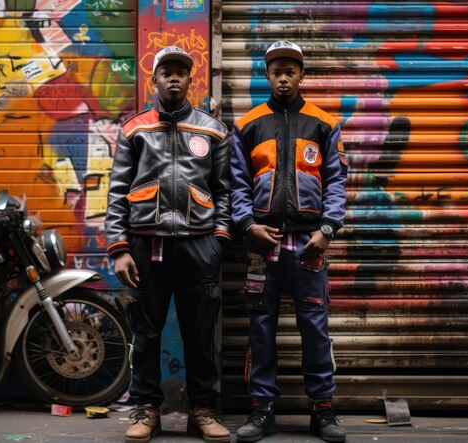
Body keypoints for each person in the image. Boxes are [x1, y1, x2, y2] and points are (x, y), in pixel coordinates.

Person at [105, 46, 232, 443]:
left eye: (181, 71)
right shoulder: (134, 128)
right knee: (146, 333)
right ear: (154, 79)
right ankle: (146, 409)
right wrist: (120, 248)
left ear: (190, 79)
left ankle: (201, 410)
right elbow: (117, 191)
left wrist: (219, 239)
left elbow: (225, 191)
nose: (174, 77)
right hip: (146, 245)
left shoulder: (213, 129)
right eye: (166, 72)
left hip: (199, 245)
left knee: (200, 333)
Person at [229, 40, 348, 443]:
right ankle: (262, 410)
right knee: (260, 329)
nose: (283, 77)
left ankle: (323, 411)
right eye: (276, 70)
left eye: (290, 70)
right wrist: (247, 226)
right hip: (262, 245)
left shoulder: (324, 123)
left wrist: (327, 230)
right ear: (267, 74)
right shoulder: (247, 125)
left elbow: (336, 182)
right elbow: (237, 185)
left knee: (315, 328)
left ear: (301, 75)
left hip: (308, 244)